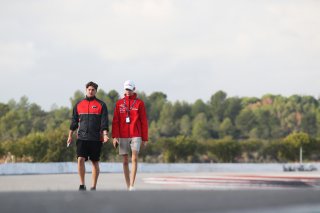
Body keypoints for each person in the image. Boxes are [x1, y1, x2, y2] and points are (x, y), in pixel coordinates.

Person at [67, 81, 109, 191]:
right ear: (86, 90)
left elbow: (104, 122)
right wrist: (70, 135)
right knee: (80, 159)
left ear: (96, 91)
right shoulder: (79, 104)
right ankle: (82, 184)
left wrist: (105, 135)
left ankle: (93, 186)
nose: (91, 91)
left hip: (96, 138)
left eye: (93, 90)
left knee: (95, 162)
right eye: (89, 89)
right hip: (82, 138)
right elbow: (74, 122)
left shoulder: (102, 105)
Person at [112, 80, 148, 191]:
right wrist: (115, 136)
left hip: (136, 135)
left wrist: (145, 138)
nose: (128, 91)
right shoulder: (119, 103)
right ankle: (128, 186)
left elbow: (143, 121)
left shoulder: (139, 103)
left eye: (130, 89)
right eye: (126, 89)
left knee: (135, 158)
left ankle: (132, 185)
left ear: (134, 89)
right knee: (125, 161)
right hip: (122, 135)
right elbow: (115, 121)